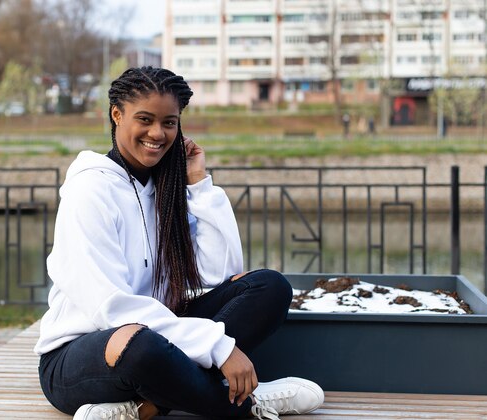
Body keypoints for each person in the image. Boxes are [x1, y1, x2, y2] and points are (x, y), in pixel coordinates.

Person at [35, 67, 324, 420]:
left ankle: (147, 408)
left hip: (158, 333)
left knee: (269, 287)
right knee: (141, 345)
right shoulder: (89, 191)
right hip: (82, 356)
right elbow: (112, 307)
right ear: (116, 115)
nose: (157, 133)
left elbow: (221, 273)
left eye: (169, 122)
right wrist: (218, 347)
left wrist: (199, 183)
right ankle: (248, 404)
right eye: (145, 119)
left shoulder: (164, 188)